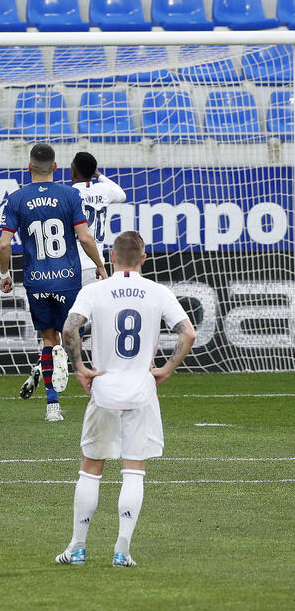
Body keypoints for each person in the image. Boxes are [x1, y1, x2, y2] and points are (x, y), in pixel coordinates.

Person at [55, 230, 196, 568]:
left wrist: (80, 368)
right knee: (134, 470)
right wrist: (167, 368)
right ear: (143, 259)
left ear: (112, 257)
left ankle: (77, 547)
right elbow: (188, 333)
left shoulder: (95, 290)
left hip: (104, 390)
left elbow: (69, 329)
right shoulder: (158, 291)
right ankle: (122, 550)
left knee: (91, 469)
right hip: (141, 392)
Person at [0, 144, 107, 422]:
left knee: (48, 340)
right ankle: (94, 392)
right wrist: (100, 265)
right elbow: (85, 237)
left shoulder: (16, 199)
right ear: (56, 167)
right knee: (74, 336)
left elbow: (4, 244)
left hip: (37, 281)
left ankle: (52, 405)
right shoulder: (70, 195)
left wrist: (4, 274)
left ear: (29, 167)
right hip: (67, 279)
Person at [19, 152, 126, 399]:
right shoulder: (104, 191)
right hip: (95, 265)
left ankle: (44, 366)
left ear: (72, 172)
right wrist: (98, 175)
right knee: (88, 326)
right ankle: (101, 377)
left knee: (67, 327)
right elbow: (121, 194)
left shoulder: (68, 194)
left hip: (70, 267)